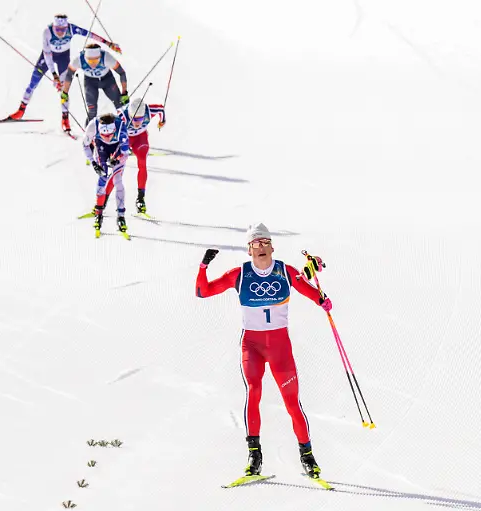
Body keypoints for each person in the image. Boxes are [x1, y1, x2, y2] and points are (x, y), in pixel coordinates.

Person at [195, 223, 333, 480]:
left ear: (272, 246)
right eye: (254, 244)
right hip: (253, 346)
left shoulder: (285, 272)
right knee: (254, 392)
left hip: (280, 347)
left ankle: (308, 456)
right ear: (248, 250)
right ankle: (254, 456)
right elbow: (203, 292)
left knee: (292, 402)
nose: (260, 248)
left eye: (264, 243)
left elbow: (310, 292)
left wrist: (322, 300)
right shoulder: (239, 274)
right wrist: (204, 266)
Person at [7, 14, 121, 132]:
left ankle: (65, 119)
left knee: (64, 90)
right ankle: (21, 110)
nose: (60, 32)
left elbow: (89, 34)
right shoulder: (47, 31)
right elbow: (47, 55)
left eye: (63, 29)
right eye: (58, 29)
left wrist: (108, 43)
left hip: (63, 59)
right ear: (54, 27)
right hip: (47, 59)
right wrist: (54, 75)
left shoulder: (71, 29)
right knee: (33, 83)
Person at [82, 113, 130, 235]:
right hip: (101, 146)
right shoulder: (92, 126)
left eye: (110, 135)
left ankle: (121, 216)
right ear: (99, 131)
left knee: (117, 180)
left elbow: (125, 153)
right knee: (102, 176)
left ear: (114, 130)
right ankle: (99, 213)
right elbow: (85, 144)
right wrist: (93, 163)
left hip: (116, 148)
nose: (107, 137)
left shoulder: (121, 129)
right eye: (104, 135)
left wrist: (117, 160)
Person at [118, 97, 166, 214]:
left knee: (142, 163)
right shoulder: (122, 116)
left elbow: (161, 109)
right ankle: (102, 203)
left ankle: (140, 198)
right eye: (133, 119)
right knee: (118, 168)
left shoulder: (149, 111)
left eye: (140, 118)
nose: (136, 122)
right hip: (126, 139)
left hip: (141, 138)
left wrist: (162, 121)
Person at [60, 43, 129, 124]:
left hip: (107, 80)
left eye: (96, 60)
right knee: (92, 111)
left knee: (120, 106)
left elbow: (122, 72)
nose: (93, 63)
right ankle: (88, 134)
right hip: (90, 82)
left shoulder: (107, 57)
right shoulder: (78, 60)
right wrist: (65, 92)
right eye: (90, 60)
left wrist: (124, 93)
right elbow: (69, 75)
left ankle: (126, 128)